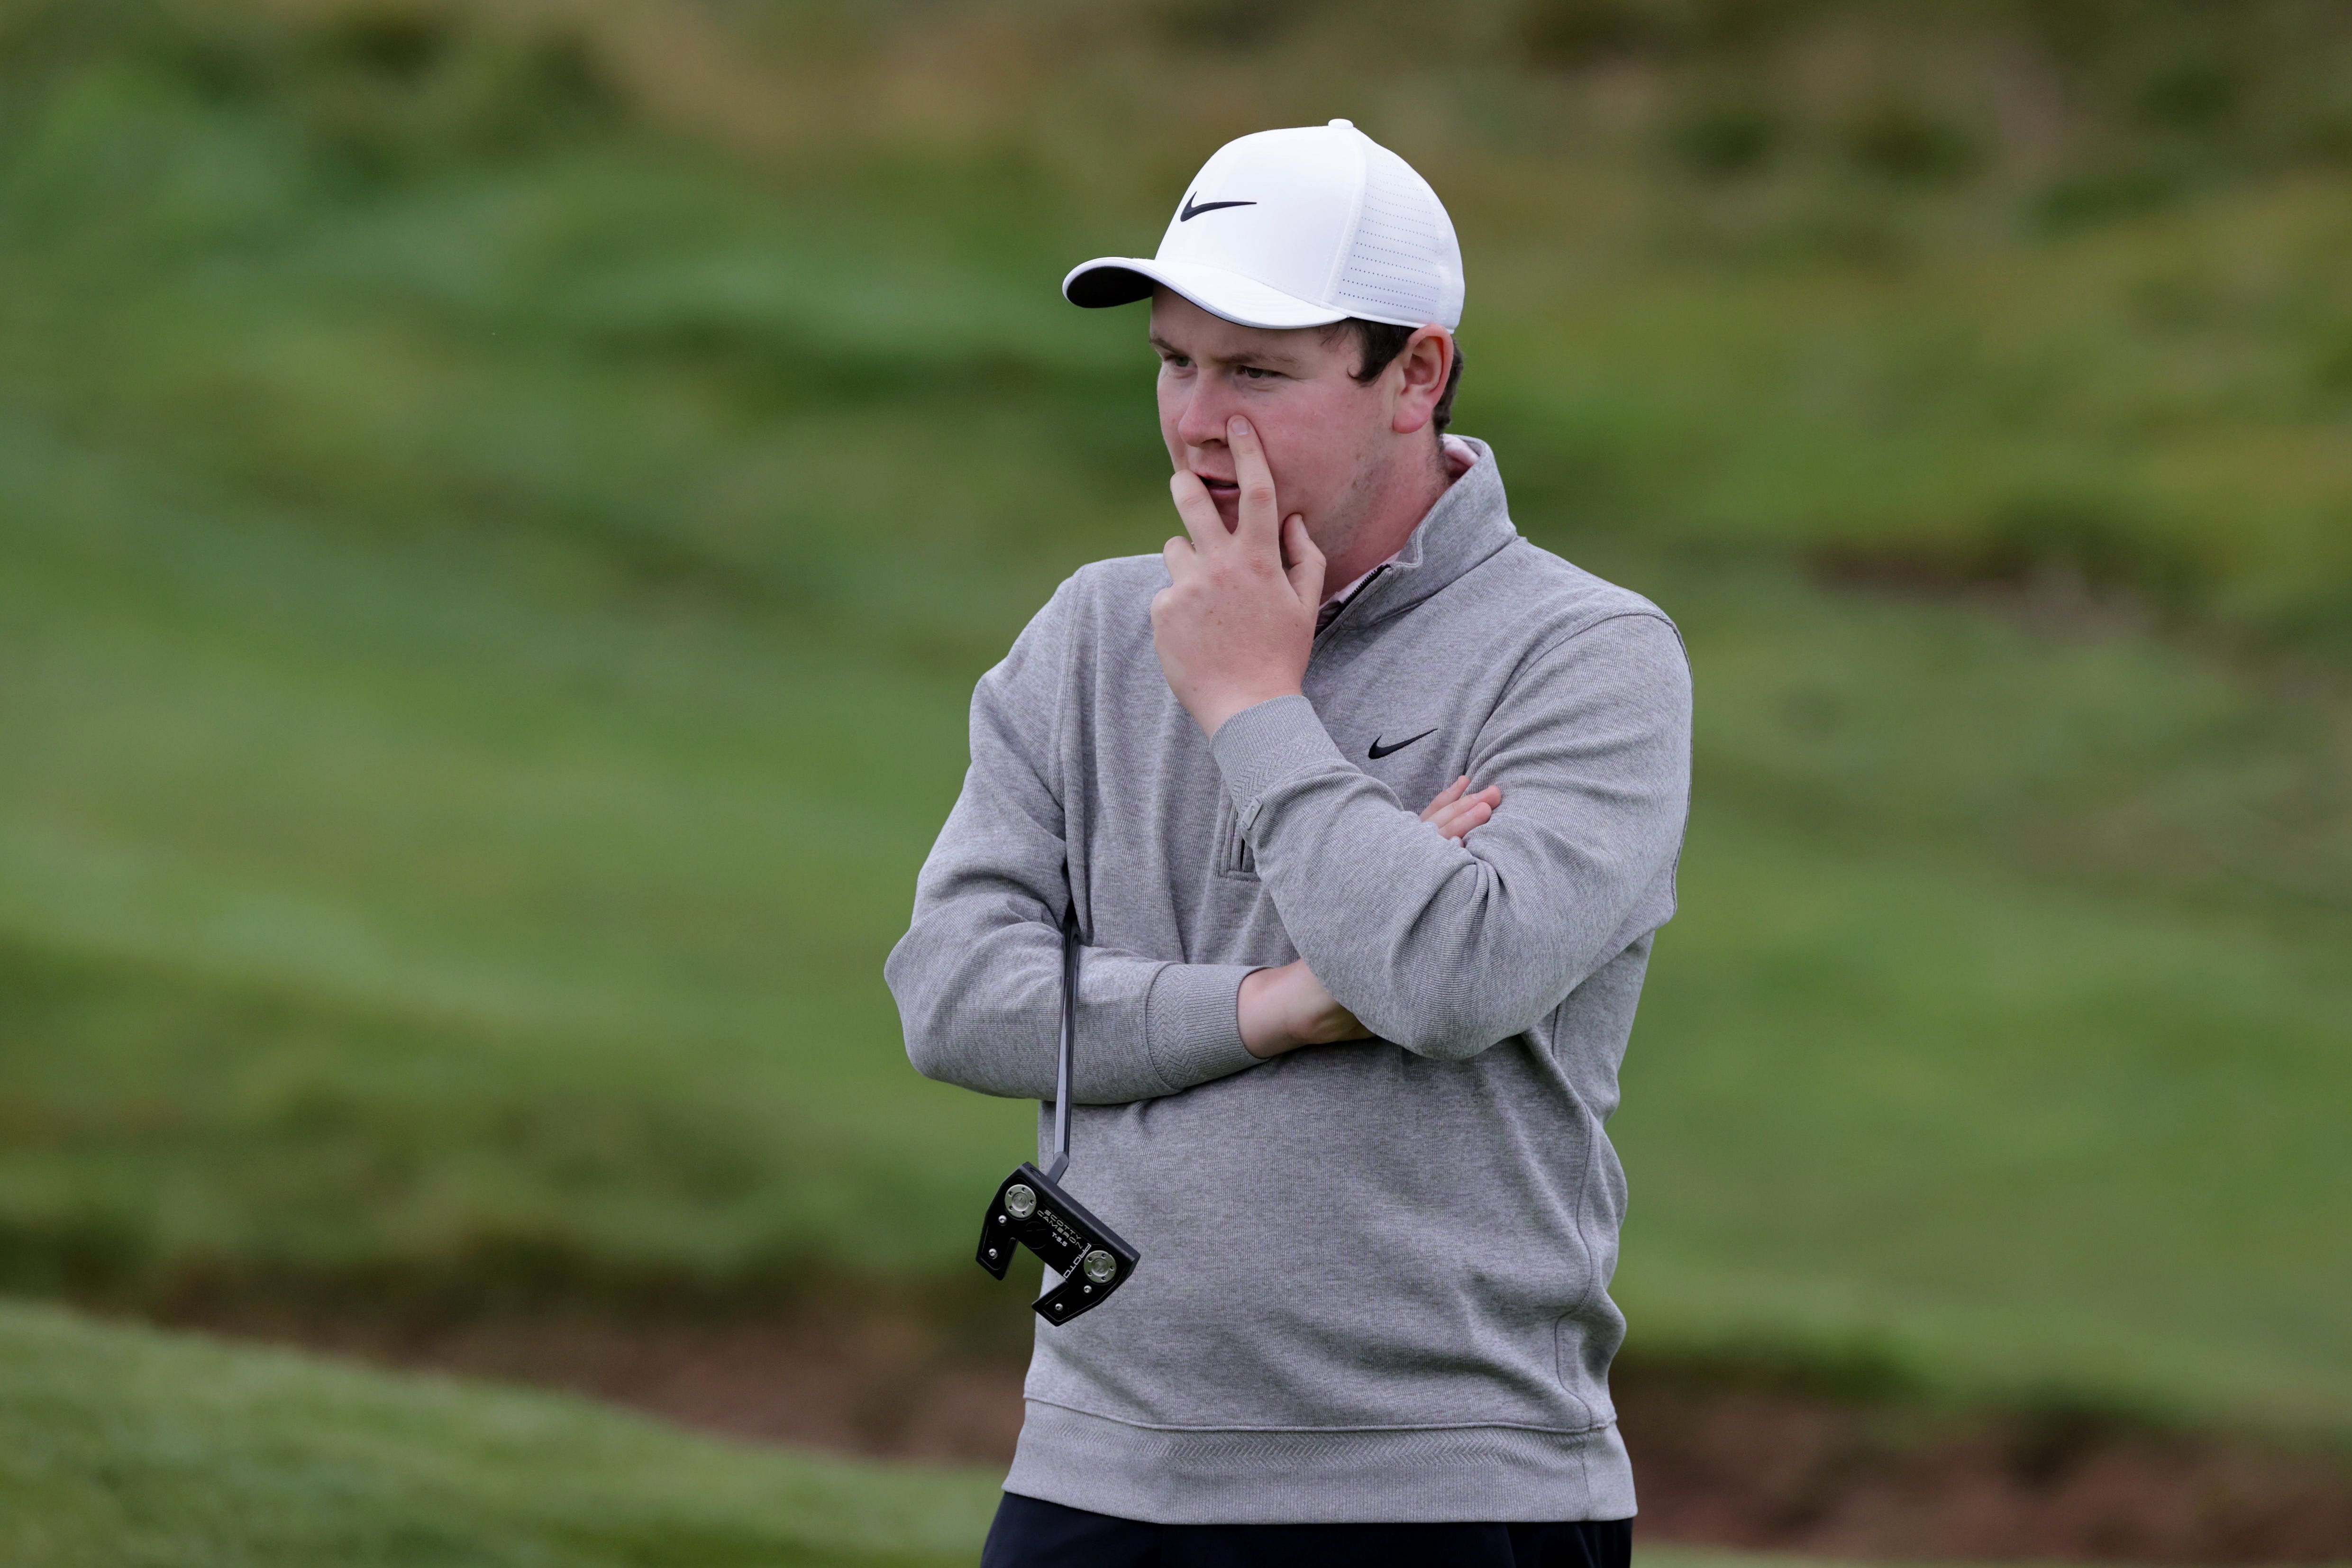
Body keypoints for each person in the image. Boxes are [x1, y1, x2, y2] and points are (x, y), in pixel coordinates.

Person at [884, 120, 1692, 1568]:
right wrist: (1274, 1005)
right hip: (1094, 1471)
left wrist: (1251, 700)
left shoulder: (1585, 655)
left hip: (1442, 1494)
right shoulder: (1089, 632)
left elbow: (1445, 979)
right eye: (1173, 361)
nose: (1198, 418)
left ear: (1416, 374)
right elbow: (949, 993)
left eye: (1257, 370)